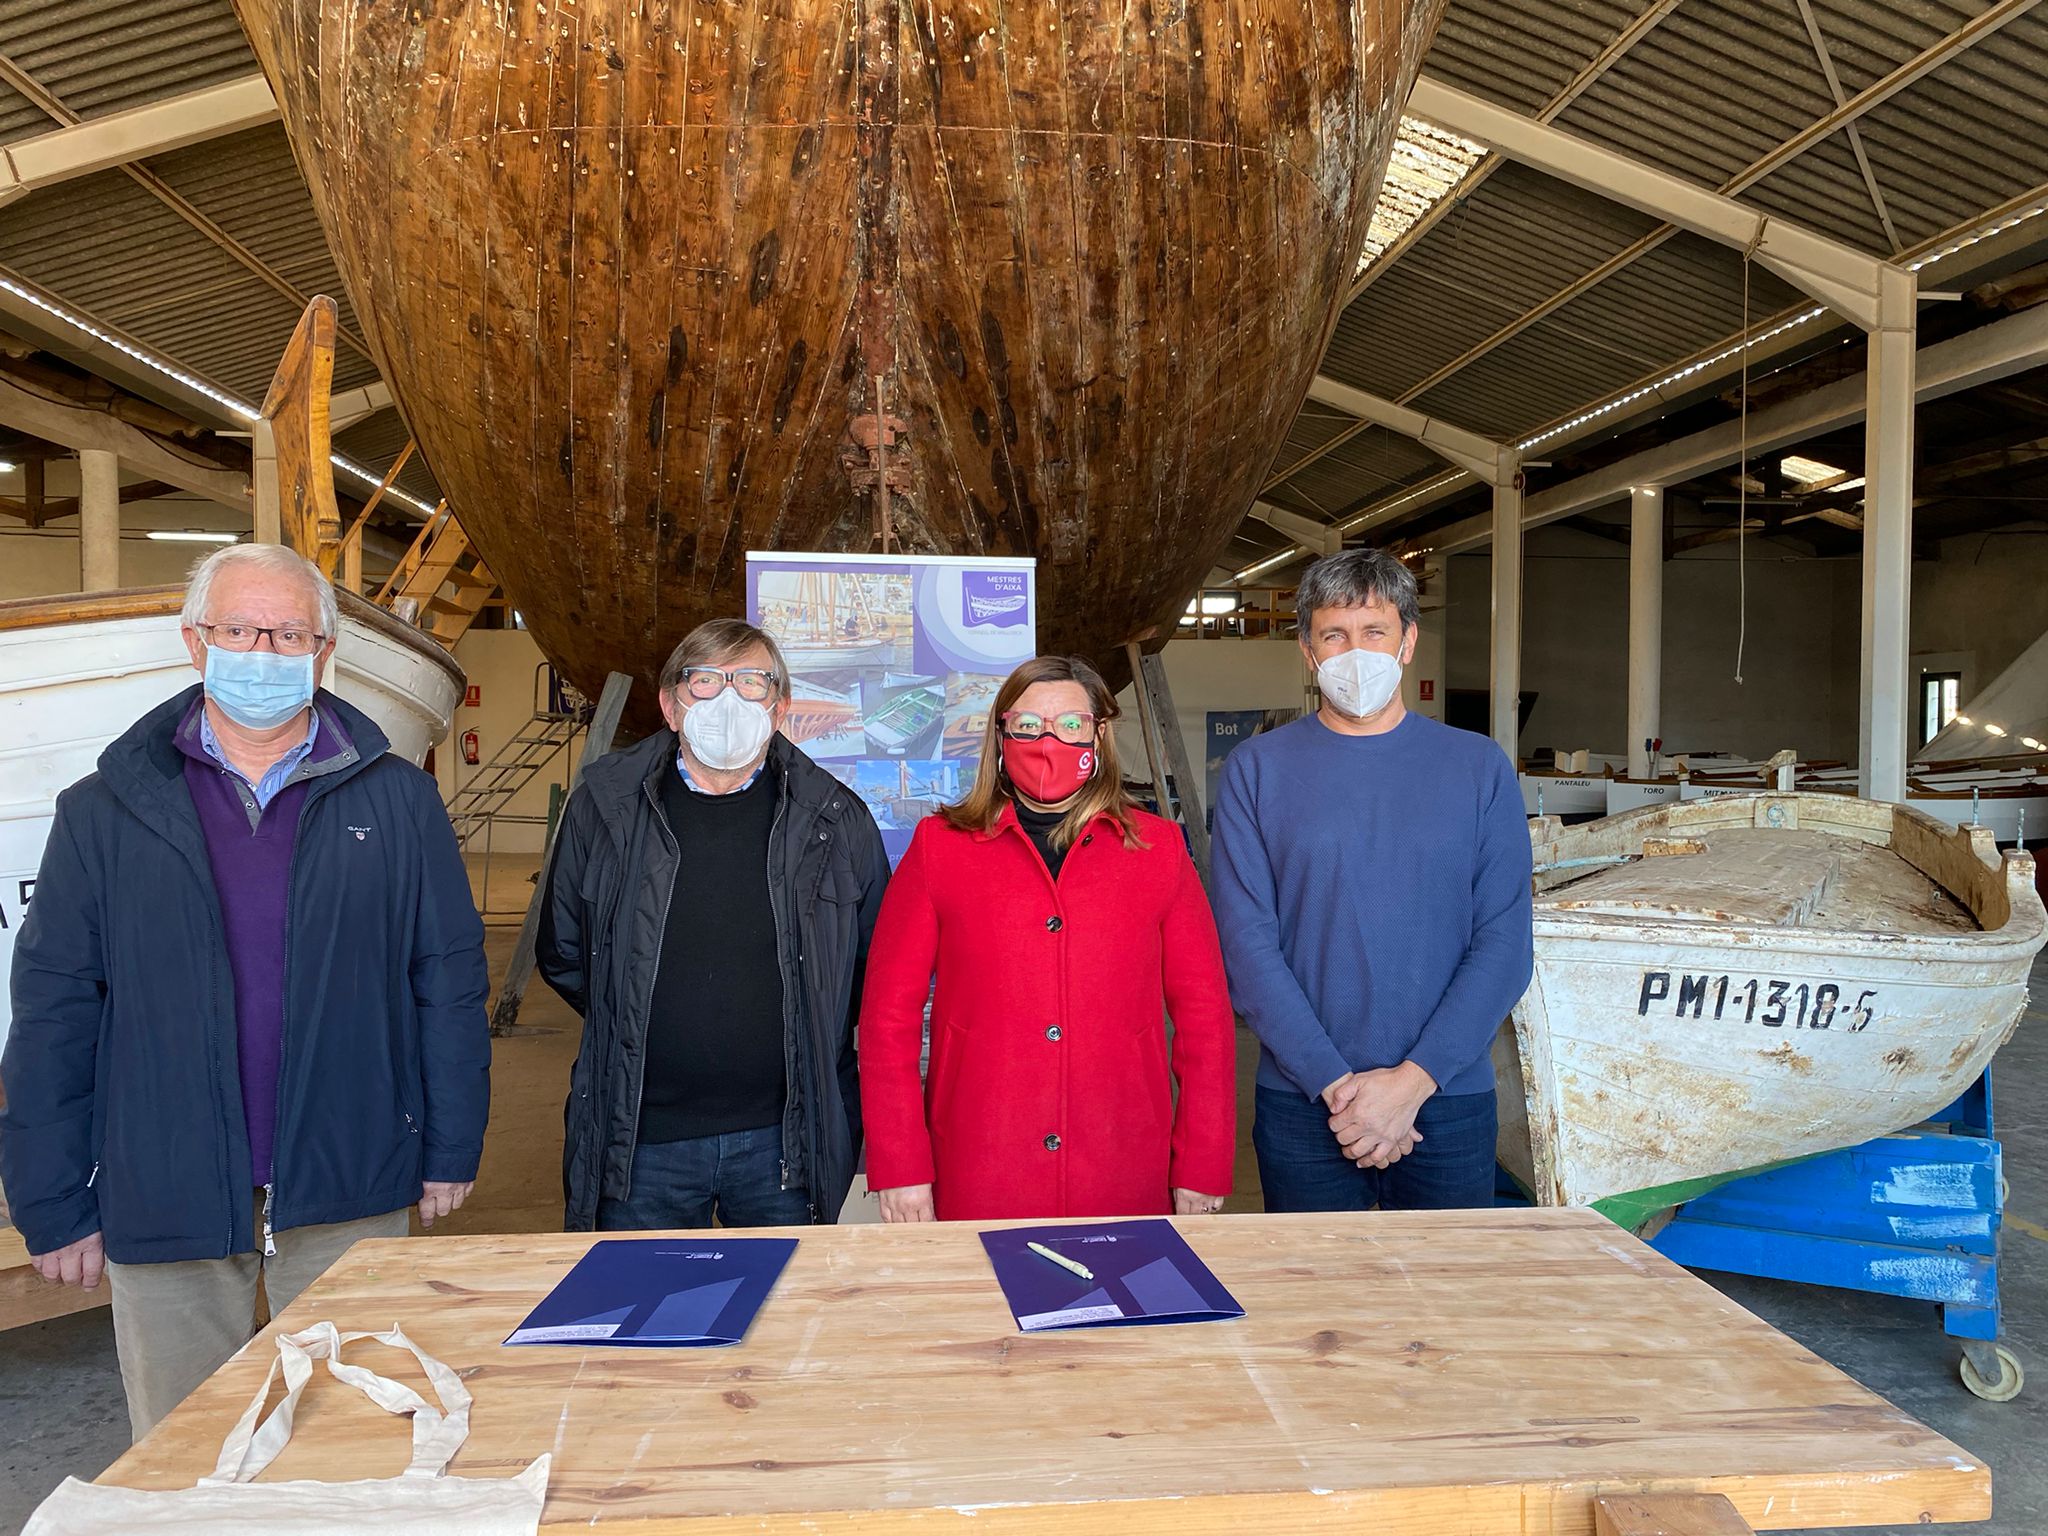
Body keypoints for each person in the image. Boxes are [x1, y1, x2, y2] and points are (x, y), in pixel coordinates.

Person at [0, 542, 490, 1439]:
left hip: (352, 1173)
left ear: (322, 650)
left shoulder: (395, 802)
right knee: (184, 1447)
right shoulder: (103, 810)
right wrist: (52, 1199)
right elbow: (55, 1012)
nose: (263, 651)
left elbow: (447, 980)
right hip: (165, 1181)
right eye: (240, 628)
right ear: (196, 642)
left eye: (288, 632)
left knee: (356, 1437)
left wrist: (451, 1144)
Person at [539, 619, 889, 1230]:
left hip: (786, 1144)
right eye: (705, 681)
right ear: (672, 707)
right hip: (641, 1140)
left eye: (751, 683)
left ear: (779, 708)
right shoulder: (604, 805)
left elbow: (865, 966)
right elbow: (566, 951)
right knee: (642, 1318)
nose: (729, 700)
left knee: (788, 1321)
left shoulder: (835, 819)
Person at [1212, 547, 1533, 1213]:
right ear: (1308, 649)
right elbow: (1247, 947)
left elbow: (1503, 944)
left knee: (1447, 1305)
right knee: (1317, 1307)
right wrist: (1338, 1088)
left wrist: (1411, 1083)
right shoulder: (1256, 770)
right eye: (1335, 634)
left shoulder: (1477, 768)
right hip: (1306, 1101)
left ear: (1408, 640)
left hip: (1446, 1095)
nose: (1354, 652)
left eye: (1374, 632)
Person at [860, 656, 1235, 1222]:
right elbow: (888, 1019)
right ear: (1002, 734)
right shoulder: (940, 847)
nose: (1048, 742)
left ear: (1100, 734)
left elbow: (1205, 1020)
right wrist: (901, 1165)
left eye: (1070, 724)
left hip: (1121, 1162)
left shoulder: (1158, 852)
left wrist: (1201, 1164)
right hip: (981, 1163)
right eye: (1029, 726)